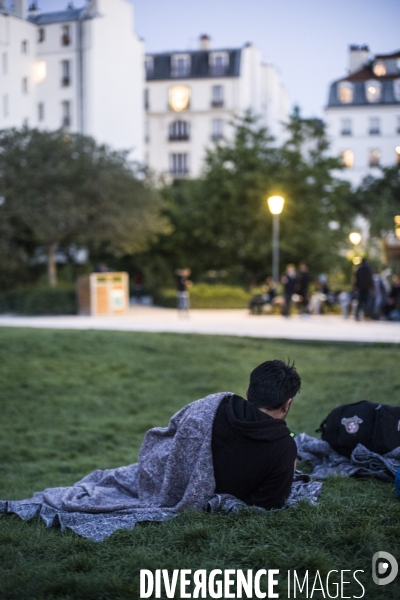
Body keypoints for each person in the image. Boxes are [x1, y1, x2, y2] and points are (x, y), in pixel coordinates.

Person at [212, 359, 301, 510]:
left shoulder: (218, 407)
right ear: (287, 404)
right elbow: (270, 502)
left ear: (248, 392)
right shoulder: (284, 446)